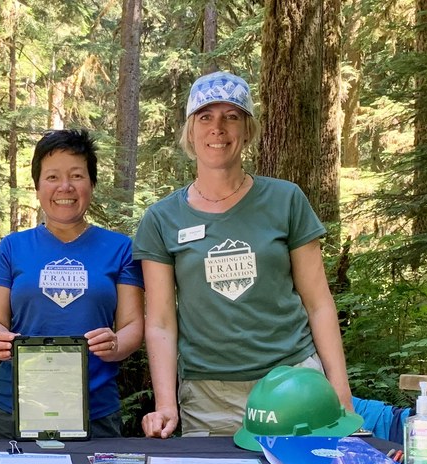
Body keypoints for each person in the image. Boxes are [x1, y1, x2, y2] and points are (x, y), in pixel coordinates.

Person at [135, 70, 353, 439]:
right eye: (205, 117)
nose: (217, 128)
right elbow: (159, 322)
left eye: (231, 117)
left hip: (294, 384)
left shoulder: (286, 200)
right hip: (209, 396)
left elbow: (318, 303)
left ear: (248, 130)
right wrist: (166, 403)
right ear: (190, 131)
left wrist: (340, 390)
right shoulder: (162, 218)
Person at [0, 130, 144, 439]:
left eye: (77, 175)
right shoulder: (11, 247)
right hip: (16, 405)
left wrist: (116, 345)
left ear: (92, 183)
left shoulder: (120, 248)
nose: (65, 187)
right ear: (38, 185)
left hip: (95, 408)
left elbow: (133, 325)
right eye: (52, 176)